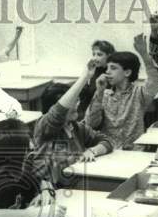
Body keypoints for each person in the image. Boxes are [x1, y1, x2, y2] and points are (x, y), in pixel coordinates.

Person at [28, 65, 114, 194]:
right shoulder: (45, 125)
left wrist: (93, 150)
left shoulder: (76, 127)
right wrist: (85, 77)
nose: (77, 105)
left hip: (73, 187)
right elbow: (58, 111)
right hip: (50, 191)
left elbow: (106, 141)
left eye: (77, 101)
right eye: (72, 103)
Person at [83, 36, 158, 150]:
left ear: (127, 72)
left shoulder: (139, 94)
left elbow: (155, 80)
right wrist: (99, 92)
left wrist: (144, 54)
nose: (107, 72)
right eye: (107, 68)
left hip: (134, 151)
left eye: (113, 68)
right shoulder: (104, 94)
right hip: (108, 150)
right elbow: (91, 123)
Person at [39, 40, 115, 116]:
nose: (94, 58)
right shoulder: (95, 69)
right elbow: (89, 88)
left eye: (99, 55)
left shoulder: (111, 74)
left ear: (109, 56)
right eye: (93, 54)